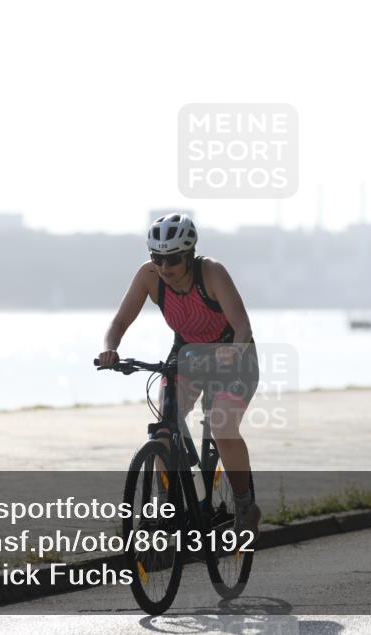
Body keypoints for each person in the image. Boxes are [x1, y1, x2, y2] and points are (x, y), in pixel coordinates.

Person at [97, 213, 261, 534]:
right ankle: (169, 504)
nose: (164, 266)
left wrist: (234, 353)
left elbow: (242, 325)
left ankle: (244, 505)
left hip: (234, 355)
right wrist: (110, 348)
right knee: (163, 428)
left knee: (223, 426)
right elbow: (118, 323)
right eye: (157, 257)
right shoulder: (149, 276)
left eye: (172, 258)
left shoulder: (212, 273)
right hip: (187, 356)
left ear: (188, 255)